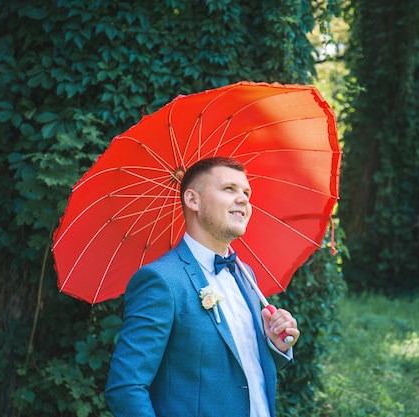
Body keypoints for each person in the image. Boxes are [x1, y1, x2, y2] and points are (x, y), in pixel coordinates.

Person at [104, 156, 300, 417]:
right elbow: (125, 387)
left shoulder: (246, 274)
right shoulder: (161, 281)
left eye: (246, 193)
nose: (243, 199)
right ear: (193, 200)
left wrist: (275, 346)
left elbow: (240, 371)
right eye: (229, 189)